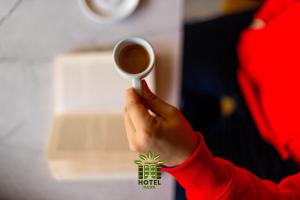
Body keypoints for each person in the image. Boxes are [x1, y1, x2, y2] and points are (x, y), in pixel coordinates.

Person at [123, 0, 300, 199]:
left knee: (154, 185)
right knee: (160, 49)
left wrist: (186, 163)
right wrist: (268, 16)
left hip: (273, 148)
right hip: (262, 43)